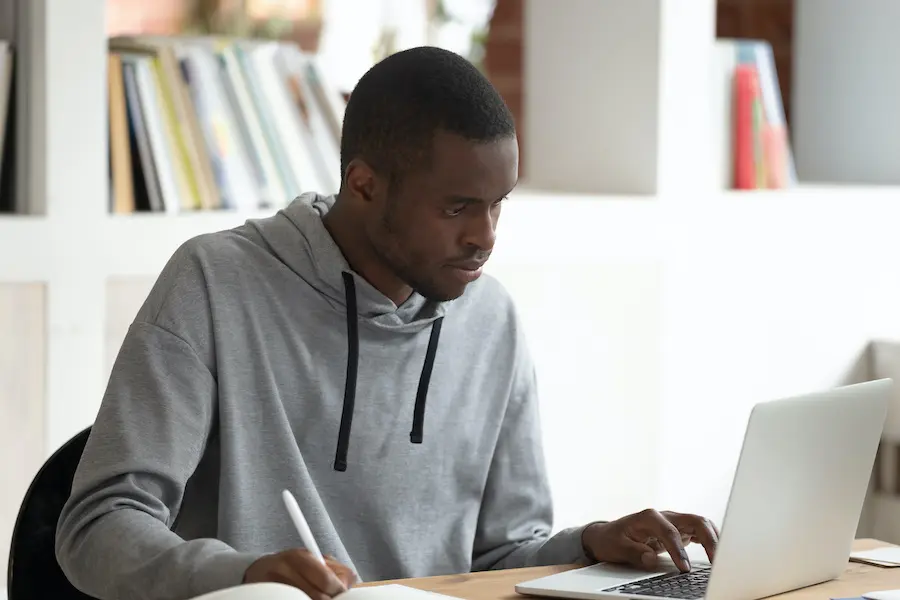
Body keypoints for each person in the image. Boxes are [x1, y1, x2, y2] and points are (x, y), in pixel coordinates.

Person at [55, 46, 719, 600]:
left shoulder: (491, 319)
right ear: (365, 184)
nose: (484, 238)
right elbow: (98, 528)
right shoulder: (215, 283)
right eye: (458, 207)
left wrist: (591, 544)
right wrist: (246, 578)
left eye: (498, 206)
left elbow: (501, 555)